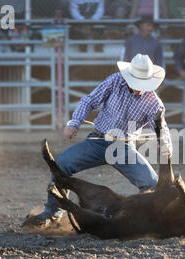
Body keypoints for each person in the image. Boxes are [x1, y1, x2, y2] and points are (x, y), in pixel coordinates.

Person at [33, 54, 173, 225]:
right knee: (60, 165)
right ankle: (53, 212)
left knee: (151, 184)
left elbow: (161, 128)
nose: (138, 88)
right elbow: (90, 100)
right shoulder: (115, 81)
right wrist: (74, 123)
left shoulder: (153, 103)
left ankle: (146, 221)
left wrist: (165, 144)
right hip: (98, 140)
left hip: (123, 147)